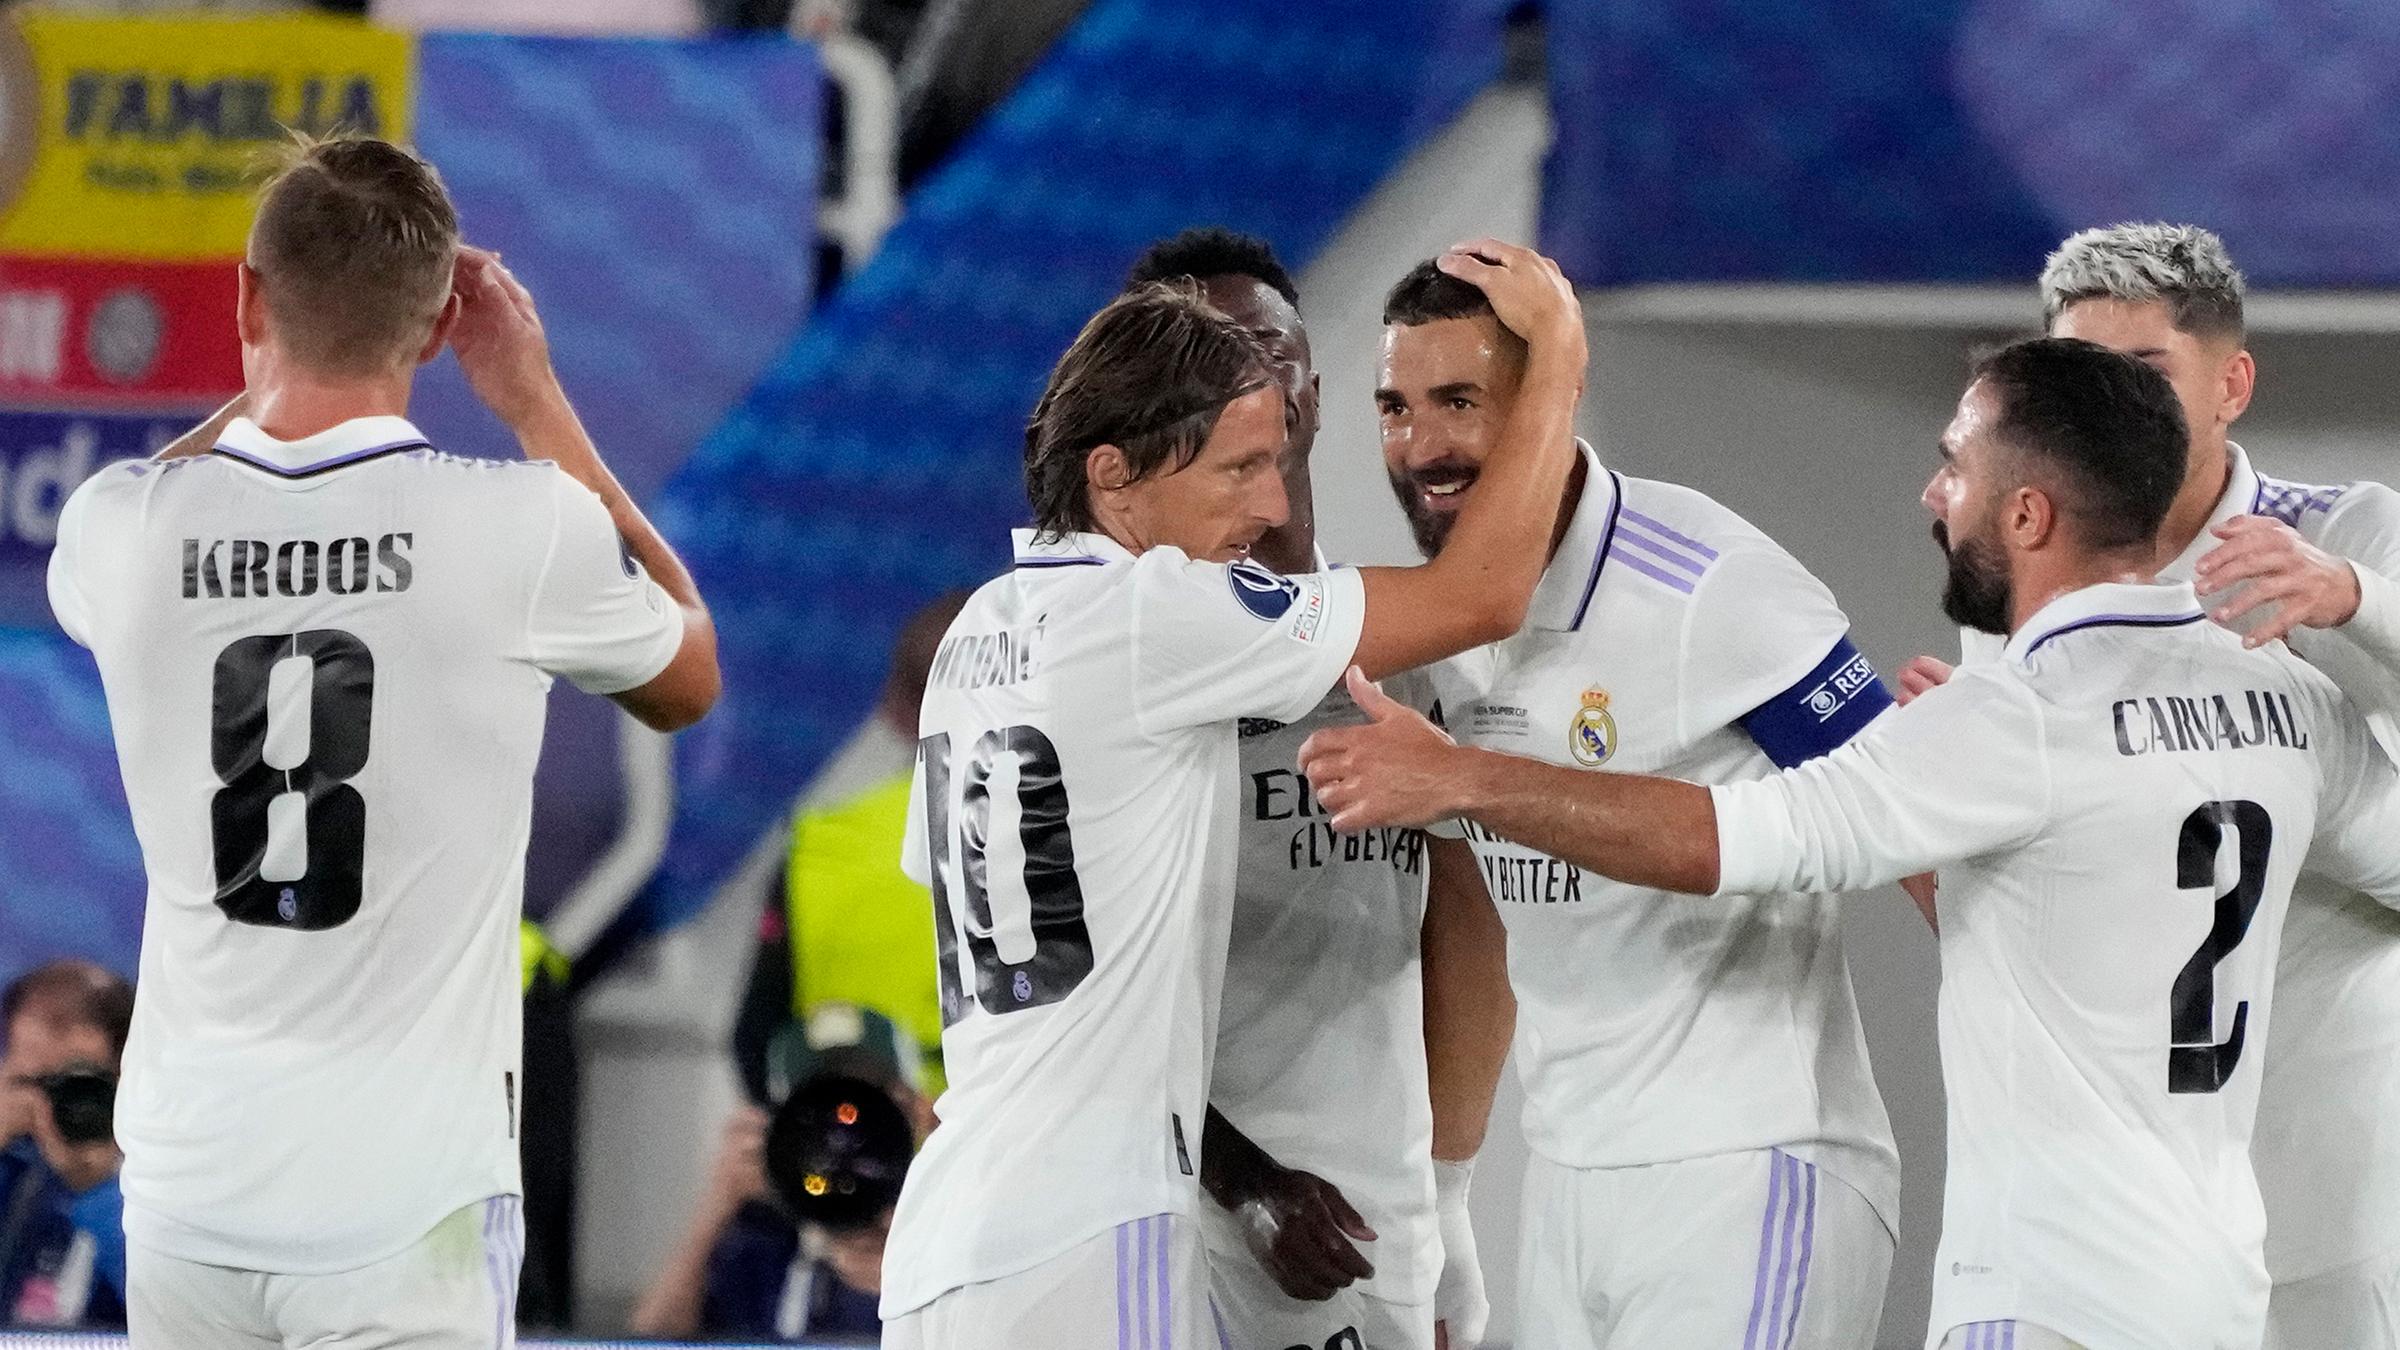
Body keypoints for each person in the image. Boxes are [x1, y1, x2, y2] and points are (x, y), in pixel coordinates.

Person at [1300, 337, 2400, 1350]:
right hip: (2217, 1286)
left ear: (2027, 516)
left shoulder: (2010, 720)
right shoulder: (2291, 701)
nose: (1934, 493)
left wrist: (1460, 778)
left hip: (2045, 1293)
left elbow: (1732, 835)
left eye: (1956, 465)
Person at [46, 133, 719, 1348]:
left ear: (248, 299)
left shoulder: (122, 528)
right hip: (407, 1206)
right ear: (435, 328)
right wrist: (535, 400)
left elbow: (179, 480)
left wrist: (275, 371)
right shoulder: (521, 524)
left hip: (190, 1192)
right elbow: (690, 672)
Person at [879, 238, 1586, 1349]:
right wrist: (1557, 362)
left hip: (954, 1237)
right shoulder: (1157, 615)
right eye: (1236, 468)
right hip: (1096, 1227)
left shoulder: (980, 628)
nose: (1268, 500)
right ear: (1114, 474)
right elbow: (1488, 591)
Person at [1343, 258, 1902, 1349]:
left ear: (1545, 401)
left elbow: (1907, 821)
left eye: (1459, 401)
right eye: (1396, 408)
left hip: (1746, 1169)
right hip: (1566, 1185)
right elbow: (1481, 906)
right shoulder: (1446, 621)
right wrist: (1447, 1192)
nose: (1421, 445)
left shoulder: (1710, 581)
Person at [1896, 223, 2400, 1350]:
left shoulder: (2347, 536)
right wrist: (1937, 802)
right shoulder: (2030, 578)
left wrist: (2358, 599)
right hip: (2127, 1201)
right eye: (2082, 368)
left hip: (2329, 1154)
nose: (2112, 399)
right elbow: (2011, 908)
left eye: (2145, 370)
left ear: (2233, 387)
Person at [1120, 228, 1497, 1350]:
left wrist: (1449, 1196)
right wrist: (1242, 1184)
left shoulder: (1405, 653)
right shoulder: (1127, 659)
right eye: (1199, 363)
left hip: (1374, 1220)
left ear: (1315, 395)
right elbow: (1083, 993)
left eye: (1262, 353)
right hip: (1179, 1219)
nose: (1243, 384)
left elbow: (1465, 929)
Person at [732, 591, 970, 1107]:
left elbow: (755, 1039)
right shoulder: (1057, 837)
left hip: (844, 1136)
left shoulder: (816, 838)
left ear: (896, 706)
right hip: (993, 1140)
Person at [632, 1005, 924, 1342]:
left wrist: (914, 1277)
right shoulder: (762, 1245)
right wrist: (718, 1202)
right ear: (775, 1125)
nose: (841, 1140)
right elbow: (650, 1340)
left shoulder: (941, 1230)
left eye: (867, 1111)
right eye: (819, 1115)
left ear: (915, 1116)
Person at [0, 961, 134, 1327]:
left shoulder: (162, 1168)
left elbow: (173, 1301)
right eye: (42, 1085)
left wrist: (96, 1186)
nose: (64, 1109)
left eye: (83, 1086)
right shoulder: (14, 1164)